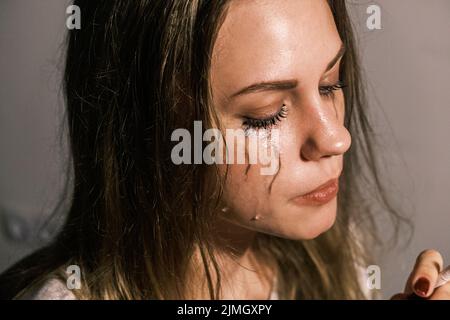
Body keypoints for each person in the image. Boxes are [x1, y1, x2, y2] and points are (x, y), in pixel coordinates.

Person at [0, 0, 448, 300]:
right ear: (153, 135)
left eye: (331, 83)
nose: (335, 138)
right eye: (267, 114)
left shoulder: (332, 258)